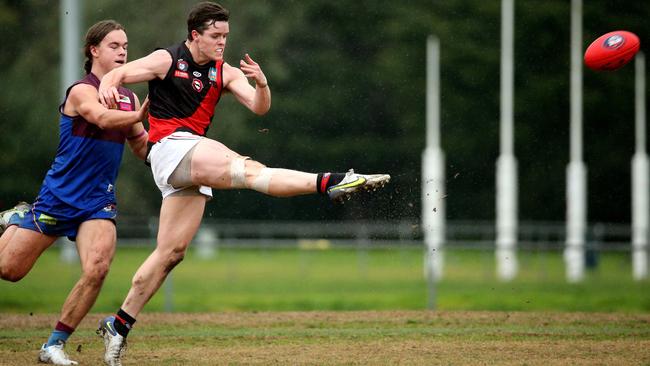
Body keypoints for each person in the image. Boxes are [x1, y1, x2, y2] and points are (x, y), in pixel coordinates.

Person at [96, 2, 390, 364]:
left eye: (226, 37)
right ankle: (331, 181)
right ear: (194, 35)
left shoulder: (225, 71)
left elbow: (259, 107)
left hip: (189, 161)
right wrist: (108, 83)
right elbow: (120, 74)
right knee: (250, 171)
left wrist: (262, 83)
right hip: (171, 149)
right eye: (215, 36)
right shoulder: (166, 59)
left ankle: (119, 325)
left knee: (170, 254)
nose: (222, 43)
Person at [0, 20, 149, 365]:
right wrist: (137, 115)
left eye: (125, 45)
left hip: (98, 201)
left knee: (97, 267)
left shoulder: (129, 96)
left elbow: (141, 146)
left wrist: (177, 157)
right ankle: (18, 218)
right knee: (10, 270)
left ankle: (53, 345)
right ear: (93, 51)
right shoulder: (82, 91)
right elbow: (100, 117)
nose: (123, 51)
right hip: (60, 197)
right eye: (114, 45)